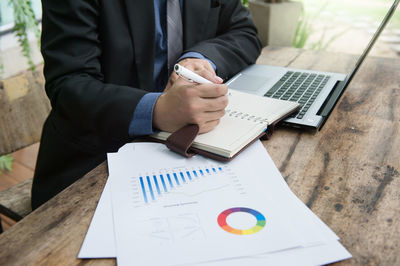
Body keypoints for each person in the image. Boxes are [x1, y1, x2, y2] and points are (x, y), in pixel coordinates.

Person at [32, 0, 262, 209]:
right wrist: (156, 110)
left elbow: (244, 32)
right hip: (96, 162)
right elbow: (69, 84)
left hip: (192, 152)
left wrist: (199, 57)